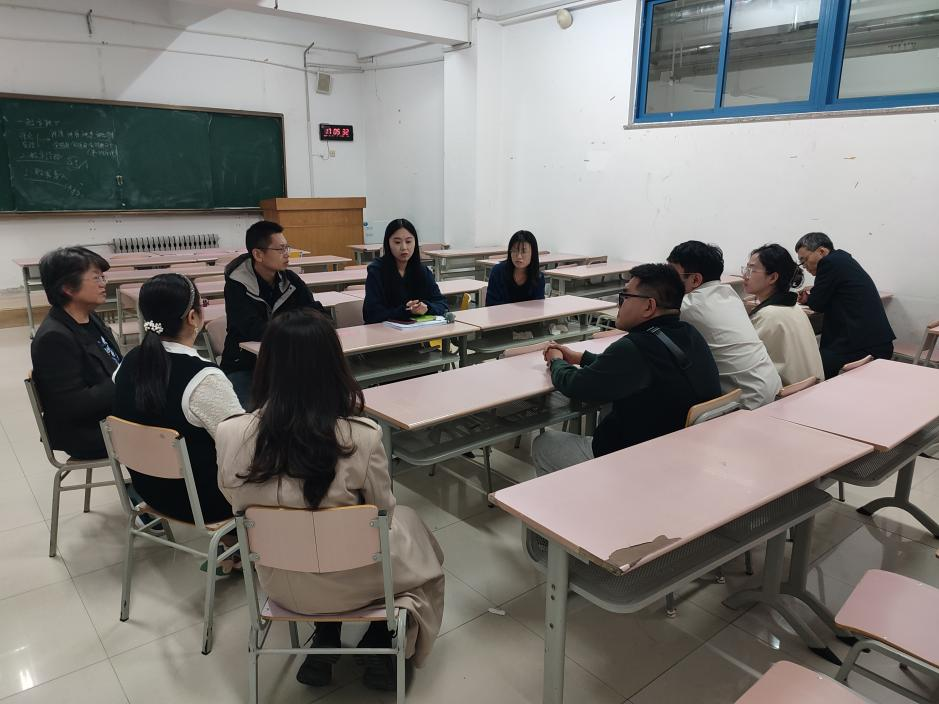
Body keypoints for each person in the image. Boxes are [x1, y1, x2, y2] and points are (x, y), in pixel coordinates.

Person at [216, 309, 445, 691]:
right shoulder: (362, 436)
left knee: (322, 538)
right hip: (355, 582)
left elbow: (234, 501)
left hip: (280, 583)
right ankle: (381, 640)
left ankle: (325, 636)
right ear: (334, 366)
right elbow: (384, 515)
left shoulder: (230, 434)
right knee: (415, 539)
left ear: (266, 365)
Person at [531, 264, 721, 475]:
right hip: (681, 453)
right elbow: (625, 369)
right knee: (609, 407)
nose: (619, 304)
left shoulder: (635, 347)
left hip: (637, 462)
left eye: (625, 297)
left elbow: (575, 386)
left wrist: (556, 360)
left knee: (544, 444)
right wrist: (580, 357)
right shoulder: (689, 333)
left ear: (649, 306)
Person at [113, 274, 243, 570]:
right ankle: (255, 549)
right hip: (206, 503)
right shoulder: (204, 378)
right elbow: (243, 447)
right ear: (194, 317)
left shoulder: (127, 363)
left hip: (149, 491)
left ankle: (234, 548)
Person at [30, 246, 122, 459]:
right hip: (88, 432)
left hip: (109, 414)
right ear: (68, 288)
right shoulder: (54, 339)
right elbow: (74, 405)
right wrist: (125, 379)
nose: (103, 283)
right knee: (175, 428)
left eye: (103, 277)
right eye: (96, 278)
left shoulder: (89, 317)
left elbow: (113, 362)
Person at [221, 220, 325, 404]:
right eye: (281, 249)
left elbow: (317, 314)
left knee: (316, 401)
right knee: (253, 417)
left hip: (287, 362)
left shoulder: (290, 279)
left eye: (287, 248)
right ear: (258, 254)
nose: (287, 254)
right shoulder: (236, 286)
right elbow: (252, 329)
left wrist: (294, 324)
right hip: (245, 365)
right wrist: (297, 324)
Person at [667, 241, 781, 409]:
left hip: (746, 403)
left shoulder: (689, 305)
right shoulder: (730, 294)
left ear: (695, 279)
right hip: (773, 388)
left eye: (671, 275)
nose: (666, 281)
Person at [794, 232, 895, 379]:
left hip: (861, 346)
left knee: (811, 368)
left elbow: (817, 304)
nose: (804, 266)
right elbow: (832, 292)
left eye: (804, 260)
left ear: (821, 251)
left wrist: (810, 298)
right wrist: (811, 296)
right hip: (877, 341)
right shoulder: (842, 259)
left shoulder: (828, 263)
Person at [743, 244, 824, 387]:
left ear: (773, 277)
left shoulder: (767, 315)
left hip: (787, 395)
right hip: (812, 389)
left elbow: (746, 362)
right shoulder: (795, 309)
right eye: (746, 269)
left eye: (751, 270)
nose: (745, 276)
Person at [362, 219, 448, 324]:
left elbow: (442, 304)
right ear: (388, 243)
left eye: (408, 241)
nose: (404, 247)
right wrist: (405, 311)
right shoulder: (377, 271)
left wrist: (427, 307)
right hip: (385, 331)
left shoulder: (422, 271)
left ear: (415, 243)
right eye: (397, 242)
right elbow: (371, 314)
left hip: (418, 330)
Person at [485, 230, 546, 306]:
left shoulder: (538, 277)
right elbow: (491, 304)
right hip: (501, 313)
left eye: (524, 251)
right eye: (514, 251)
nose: (519, 256)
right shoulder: (498, 272)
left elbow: (538, 306)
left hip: (528, 314)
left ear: (533, 254)